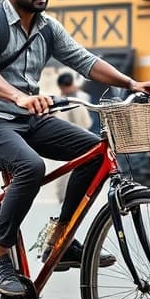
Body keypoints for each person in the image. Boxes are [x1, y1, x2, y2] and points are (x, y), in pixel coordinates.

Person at [0, 0, 150, 296]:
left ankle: (61, 237)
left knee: (94, 150)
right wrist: (19, 96)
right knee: (30, 167)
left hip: (28, 118)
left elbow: (85, 61)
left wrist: (131, 82)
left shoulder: (47, 28)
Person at [54, 71, 93, 203]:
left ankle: (65, 197)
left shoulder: (60, 100)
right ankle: (70, 198)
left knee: (68, 170)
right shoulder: (82, 97)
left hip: (68, 139)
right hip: (81, 137)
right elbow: (87, 122)